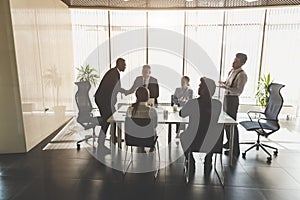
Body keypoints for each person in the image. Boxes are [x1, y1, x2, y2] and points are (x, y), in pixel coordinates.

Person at [179, 77, 218, 173]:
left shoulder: (193, 103)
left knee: (183, 136)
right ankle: (208, 158)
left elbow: (182, 113)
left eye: (201, 86)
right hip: (210, 140)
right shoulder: (218, 104)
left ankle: (190, 159)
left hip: (193, 138)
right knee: (214, 135)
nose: (198, 87)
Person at [219, 53, 248, 157]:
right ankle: (229, 142)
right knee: (226, 123)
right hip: (226, 98)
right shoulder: (231, 71)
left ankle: (235, 149)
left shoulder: (242, 75)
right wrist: (223, 84)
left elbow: (238, 91)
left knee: (231, 124)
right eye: (233, 60)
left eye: (236, 62)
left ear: (242, 63)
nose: (233, 63)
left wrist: (226, 88)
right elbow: (228, 83)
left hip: (233, 100)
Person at [95, 58, 126, 149]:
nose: (125, 66)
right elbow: (115, 88)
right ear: (119, 64)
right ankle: (101, 143)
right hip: (103, 100)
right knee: (107, 119)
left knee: (114, 116)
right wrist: (124, 91)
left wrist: (123, 91)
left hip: (106, 100)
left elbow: (115, 88)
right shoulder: (113, 73)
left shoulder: (115, 72)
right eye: (124, 64)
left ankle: (113, 137)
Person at [126, 87, 158, 152]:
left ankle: (142, 148)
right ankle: (150, 150)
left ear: (136, 96)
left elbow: (128, 125)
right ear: (148, 97)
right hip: (148, 139)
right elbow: (155, 125)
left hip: (132, 139)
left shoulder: (130, 109)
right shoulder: (152, 111)